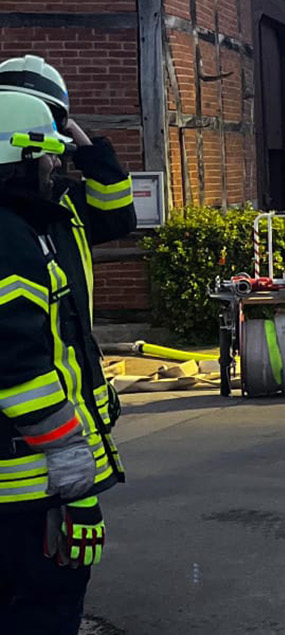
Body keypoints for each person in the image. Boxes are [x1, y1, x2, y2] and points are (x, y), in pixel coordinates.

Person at [0, 92, 121, 634]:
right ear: (20, 159)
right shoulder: (11, 240)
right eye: (47, 155)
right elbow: (22, 376)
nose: (55, 166)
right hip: (27, 491)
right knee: (44, 610)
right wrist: (78, 488)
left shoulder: (24, 227)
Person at [0, 54, 135, 459]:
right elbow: (16, 352)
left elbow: (118, 216)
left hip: (67, 364)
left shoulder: (62, 197)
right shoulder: (12, 222)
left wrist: (80, 141)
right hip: (33, 410)